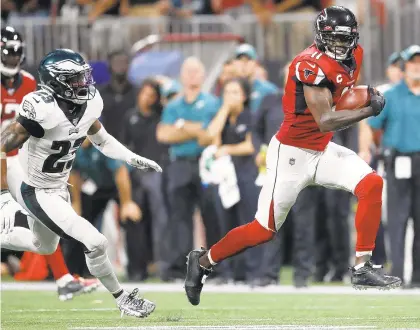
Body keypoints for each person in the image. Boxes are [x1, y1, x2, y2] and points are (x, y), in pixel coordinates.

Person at [184, 6, 401, 306]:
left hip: (321, 149)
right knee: (262, 230)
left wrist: (362, 94)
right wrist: (367, 108)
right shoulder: (307, 64)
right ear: (321, 37)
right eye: (335, 39)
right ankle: (204, 261)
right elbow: (326, 118)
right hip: (291, 155)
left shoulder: (355, 56)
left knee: (372, 184)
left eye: (345, 38)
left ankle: (362, 267)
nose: (341, 45)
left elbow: (339, 94)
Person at [0, 48, 161, 317]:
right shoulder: (42, 108)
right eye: (75, 80)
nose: (83, 84)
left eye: (84, 77)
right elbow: (3, 146)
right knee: (95, 241)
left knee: (45, 246)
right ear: (55, 82)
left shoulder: (90, 103)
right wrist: (4, 192)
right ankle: (123, 298)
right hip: (34, 187)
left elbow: (103, 140)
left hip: (58, 186)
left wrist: (132, 158)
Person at [0, 26, 98, 300]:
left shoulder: (32, 83)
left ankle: (64, 277)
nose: (12, 58)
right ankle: (64, 278)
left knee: (40, 214)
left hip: (22, 159)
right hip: (4, 156)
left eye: (17, 52)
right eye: (8, 52)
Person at [156, 57, 220, 281]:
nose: (192, 75)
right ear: (181, 76)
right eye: (188, 71)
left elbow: (210, 137)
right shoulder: (174, 105)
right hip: (180, 164)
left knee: (211, 215)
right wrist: (195, 129)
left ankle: (213, 267)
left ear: (203, 76)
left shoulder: (213, 102)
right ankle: (180, 268)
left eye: (196, 71)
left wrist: (182, 127)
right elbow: (163, 134)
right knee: (179, 217)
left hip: (206, 163)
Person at [198, 78, 263, 284]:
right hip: (224, 177)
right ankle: (227, 272)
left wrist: (228, 149)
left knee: (247, 223)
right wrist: (224, 110)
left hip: (246, 174)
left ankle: (252, 272)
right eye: (227, 92)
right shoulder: (223, 118)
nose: (230, 96)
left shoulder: (250, 116)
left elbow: (251, 146)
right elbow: (211, 138)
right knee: (224, 224)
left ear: (243, 96)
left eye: (235, 92)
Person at [367, 45, 420, 289]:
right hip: (398, 160)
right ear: (404, 67)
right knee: (397, 220)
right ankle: (397, 274)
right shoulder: (392, 94)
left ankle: (418, 275)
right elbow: (372, 125)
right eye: (412, 63)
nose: (416, 67)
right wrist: (376, 151)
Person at [64, 138, 141, 279]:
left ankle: (137, 272)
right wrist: (76, 203)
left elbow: (121, 173)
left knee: (131, 218)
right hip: (99, 186)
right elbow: (73, 174)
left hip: (124, 185)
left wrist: (127, 203)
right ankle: (76, 270)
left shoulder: (104, 145)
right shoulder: (74, 147)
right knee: (79, 220)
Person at [121, 78, 169, 281]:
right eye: (144, 94)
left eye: (152, 95)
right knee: (135, 222)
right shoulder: (129, 117)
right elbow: (123, 149)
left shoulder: (162, 117)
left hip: (158, 173)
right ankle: (136, 269)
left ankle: (162, 266)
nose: (147, 98)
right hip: (136, 174)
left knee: (161, 222)